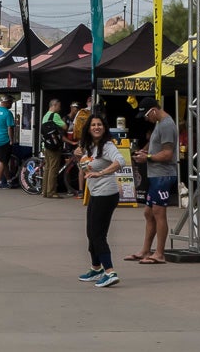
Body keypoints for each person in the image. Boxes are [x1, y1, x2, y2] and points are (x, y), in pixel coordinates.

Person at [75, 114, 127, 288]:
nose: (96, 127)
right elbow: (85, 167)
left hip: (106, 195)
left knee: (98, 235)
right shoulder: (90, 146)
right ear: (88, 129)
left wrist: (102, 173)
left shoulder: (107, 145)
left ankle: (110, 271)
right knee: (91, 233)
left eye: (99, 125)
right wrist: (78, 156)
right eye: (93, 125)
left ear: (104, 128)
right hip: (96, 194)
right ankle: (96, 268)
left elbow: (121, 161)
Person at [126, 97, 178, 264]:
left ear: (154, 111)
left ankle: (160, 253)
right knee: (149, 213)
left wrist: (147, 157)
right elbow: (154, 142)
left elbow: (168, 153)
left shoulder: (167, 125)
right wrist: (144, 150)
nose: (146, 119)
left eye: (147, 116)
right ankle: (146, 250)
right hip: (156, 175)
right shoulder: (159, 124)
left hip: (163, 175)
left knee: (158, 213)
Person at [40, 98, 67, 198]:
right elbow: (65, 127)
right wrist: (63, 121)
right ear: (54, 106)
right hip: (54, 146)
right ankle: (51, 192)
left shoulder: (45, 116)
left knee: (47, 168)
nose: (59, 109)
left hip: (46, 145)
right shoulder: (55, 115)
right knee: (53, 168)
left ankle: (45, 191)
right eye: (59, 106)